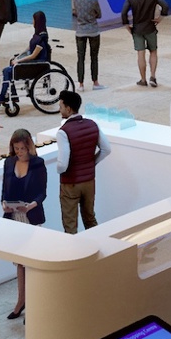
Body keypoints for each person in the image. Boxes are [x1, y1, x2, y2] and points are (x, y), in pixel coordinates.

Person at [0, 128, 50, 320]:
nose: (19, 152)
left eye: (22, 149)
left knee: (31, 263)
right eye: (16, 149)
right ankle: (21, 301)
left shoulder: (38, 164)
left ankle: (34, 304)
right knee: (19, 263)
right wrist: (4, 203)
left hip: (31, 218)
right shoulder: (9, 162)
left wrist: (31, 205)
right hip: (14, 218)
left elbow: (42, 193)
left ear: (29, 147)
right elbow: (4, 189)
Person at [56, 89, 109, 233]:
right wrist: (92, 163)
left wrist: (59, 170)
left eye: (61, 106)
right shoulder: (93, 124)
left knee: (70, 225)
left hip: (71, 183)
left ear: (68, 108)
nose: (59, 110)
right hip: (89, 182)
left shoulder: (63, 132)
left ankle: (74, 253)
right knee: (90, 218)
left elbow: (62, 164)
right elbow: (106, 149)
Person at [121, 0, 169, 87]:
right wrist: (160, 17)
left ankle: (143, 79)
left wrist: (127, 26)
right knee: (153, 51)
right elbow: (165, 6)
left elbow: (123, 13)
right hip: (150, 27)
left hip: (137, 29)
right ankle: (153, 76)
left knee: (140, 54)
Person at [67, 0, 104, 89]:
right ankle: (95, 82)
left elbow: (76, 13)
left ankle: (81, 84)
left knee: (80, 58)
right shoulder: (93, 0)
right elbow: (99, 14)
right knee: (94, 57)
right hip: (93, 31)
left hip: (80, 31)